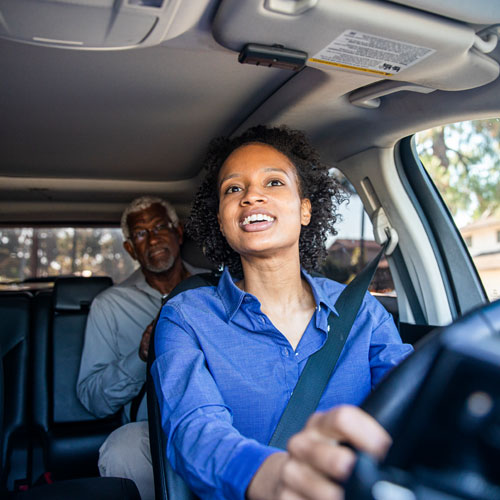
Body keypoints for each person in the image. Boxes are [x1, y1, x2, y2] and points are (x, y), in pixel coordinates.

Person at [151, 125, 413, 499]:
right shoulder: (186, 317)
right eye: (233, 189)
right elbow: (193, 428)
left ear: (305, 209)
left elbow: (413, 396)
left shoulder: (362, 312)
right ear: (222, 222)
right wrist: (270, 475)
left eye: (273, 183)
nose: (252, 196)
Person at [77, 195, 204, 500]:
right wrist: (141, 356)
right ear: (130, 248)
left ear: (178, 232)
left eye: (160, 226)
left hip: (222, 414)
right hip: (152, 428)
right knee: (122, 447)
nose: (153, 238)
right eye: (140, 233)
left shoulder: (215, 287)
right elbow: (92, 398)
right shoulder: (110, 305)